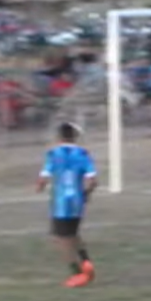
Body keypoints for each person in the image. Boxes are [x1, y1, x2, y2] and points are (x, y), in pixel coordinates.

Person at [36, 122, 98, 288]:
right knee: (73, 233)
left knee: (61, 239)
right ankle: (86, 261)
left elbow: (44, 178)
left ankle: (77, 273)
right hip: (77, 201)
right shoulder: (83, 154)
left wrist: (39, 187)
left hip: (61, 202)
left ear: (59, 137)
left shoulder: (53, 154)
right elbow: (92, 181)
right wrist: (86, 194)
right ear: (75, 137)